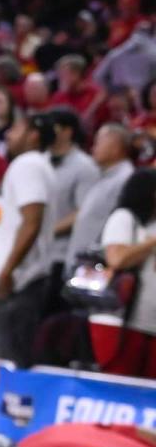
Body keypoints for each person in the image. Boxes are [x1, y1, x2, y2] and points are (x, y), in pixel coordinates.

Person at [0, 113, 57, 366]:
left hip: (17, 281)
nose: (8, 133)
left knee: (9, 361)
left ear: (33, 134)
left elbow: (31, 221)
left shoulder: (28, 164)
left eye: (16, 128)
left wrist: (7, 270)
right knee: (8, 357)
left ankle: (6, 406)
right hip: (18, 279)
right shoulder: (33, 164)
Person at [90, 169, 156, 377]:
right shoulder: (124, 218)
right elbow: (117, 259)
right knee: (119, 381)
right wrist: (152, 243)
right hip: (124, 321)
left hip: (151, 322)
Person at [66, 123, 136, 272]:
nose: (93, 148)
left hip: (96, 268)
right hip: (81, 266)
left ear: (116, 147)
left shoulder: (126, 179)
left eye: (98, 142)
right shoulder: (105, 176)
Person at [45, 107, 100, 284]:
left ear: (67, 131)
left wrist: (46, 230)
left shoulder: (85, 167)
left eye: (52, 127)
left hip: (59, 252)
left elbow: (83, 211)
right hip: (32, 250)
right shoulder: (38, 160)